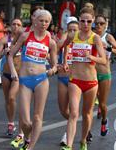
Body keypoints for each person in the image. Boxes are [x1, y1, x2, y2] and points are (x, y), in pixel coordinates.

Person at [8, 9, 57, 150]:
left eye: (46, 21)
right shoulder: (25, 36)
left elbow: (54, 65)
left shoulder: (51, 42)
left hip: (41, 80)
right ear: (35, 21)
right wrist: (13, 71)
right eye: (41, 20)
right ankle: (27, 138)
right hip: (24, 80)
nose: (43, 23)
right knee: (25, 121)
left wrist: (52, 70)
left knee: (37, 117)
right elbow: (10, 55)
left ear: (49, 23)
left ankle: (30, 147)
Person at [61, 7, 106, 150]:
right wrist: (65, 62)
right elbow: (65, 46)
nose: (85, 24)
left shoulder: (95, 38)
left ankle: (83, 141)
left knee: (86, 114)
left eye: (88, 21)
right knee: (73, 113)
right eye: (83, 21)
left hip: (91, 82)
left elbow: (104, 60)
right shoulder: (73, 36)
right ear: (79, 21)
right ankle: (69, 145)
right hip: (75, 80)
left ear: (92, 22)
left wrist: (91, 57)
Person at [0, 18, 23, 138]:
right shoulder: (5, 39)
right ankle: (11, 123)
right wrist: (2, 52)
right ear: (10, 26)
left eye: (18, 24)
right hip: (5, 74)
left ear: (21, 27)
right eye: (14, 24)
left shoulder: (23, 40)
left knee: (11, 97)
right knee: (7, 100)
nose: (16, 26)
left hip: (18, 74)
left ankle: (16, 124)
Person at [57, 16, 79, 146]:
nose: (72, 32)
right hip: (62, 76)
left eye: (74, 30)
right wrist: (66, 35)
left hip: (76, 78)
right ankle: (75, 123)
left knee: (73, 110)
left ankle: (68, 135)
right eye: (69, 29)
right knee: (63, 110)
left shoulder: (82, 42)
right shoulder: (65, 41)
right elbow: (58, 46)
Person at [95, 14, 116, 136]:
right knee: (93, 99)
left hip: (104, 73)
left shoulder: (107, 36)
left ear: (105, 25)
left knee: (102, 104)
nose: (98, 25)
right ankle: (87, 133)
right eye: (96, 23)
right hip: (91, 74)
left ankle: (104, 120)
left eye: (101, 23)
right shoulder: (91, 36)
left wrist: (108, 48)